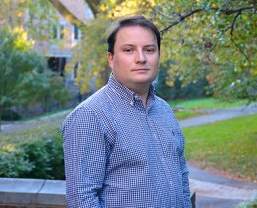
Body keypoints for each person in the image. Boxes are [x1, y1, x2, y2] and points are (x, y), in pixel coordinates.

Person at [61, 15, 192, 208]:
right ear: (111, 59)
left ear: (158, 56)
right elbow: (82, 199)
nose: (141, 58)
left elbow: (181, 176)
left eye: (149, 50)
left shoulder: (164, 110)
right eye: (129, 50)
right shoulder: (90, 116)